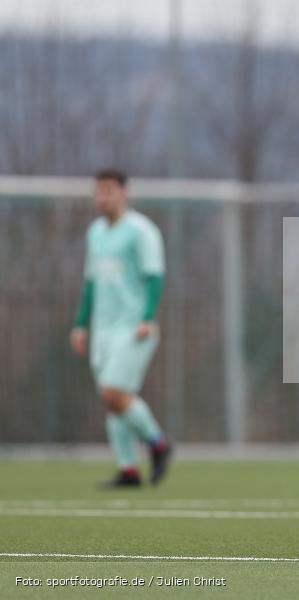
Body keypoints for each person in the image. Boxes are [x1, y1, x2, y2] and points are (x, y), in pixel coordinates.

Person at [70, 168, 171, 488]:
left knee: (112, 392)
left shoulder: (142, 231)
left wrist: (147, 317)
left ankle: (158, 443)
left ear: (124, 193)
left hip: (133, 327)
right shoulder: (96, 233)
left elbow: (155, 276)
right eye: (99, 191)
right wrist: (80, 324)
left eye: (109, 190)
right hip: (102, 330)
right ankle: (128, 470)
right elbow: (90, 282)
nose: (103, 197)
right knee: (115, 399)